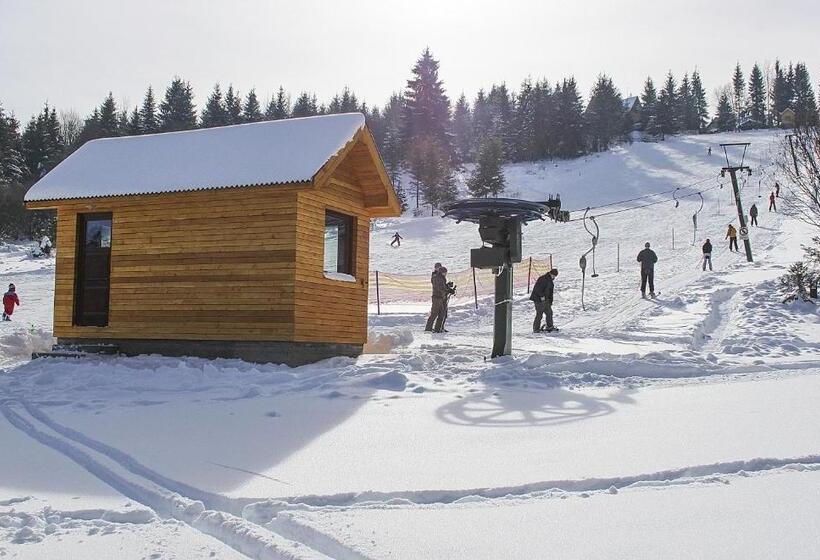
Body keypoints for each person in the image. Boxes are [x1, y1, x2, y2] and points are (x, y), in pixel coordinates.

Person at [530, 268, 559, 332]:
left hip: (546, 300)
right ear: (550, 273)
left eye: (555, 276)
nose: (554, 277)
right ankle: (536, 329)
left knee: (549, 313)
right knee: (539, 314)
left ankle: (550, 326)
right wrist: (542, 296)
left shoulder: (550, 281)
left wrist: (550, 301)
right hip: (538, 299)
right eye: (553, 275)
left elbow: (550, 292)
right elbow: (537, 289)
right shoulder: (543, 278)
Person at [425, 265, 449, 333]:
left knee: (442, 313)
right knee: (434, 313)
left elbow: (442, 286)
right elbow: (439, 288)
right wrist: (447, 290)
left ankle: (438, 328)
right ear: (442, 272)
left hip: (441, 297)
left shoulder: (441, 278)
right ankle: (428, 328)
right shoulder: (437, 278)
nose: (445, 274)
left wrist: (447, 287)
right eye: (445, 272)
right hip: (437, 297)